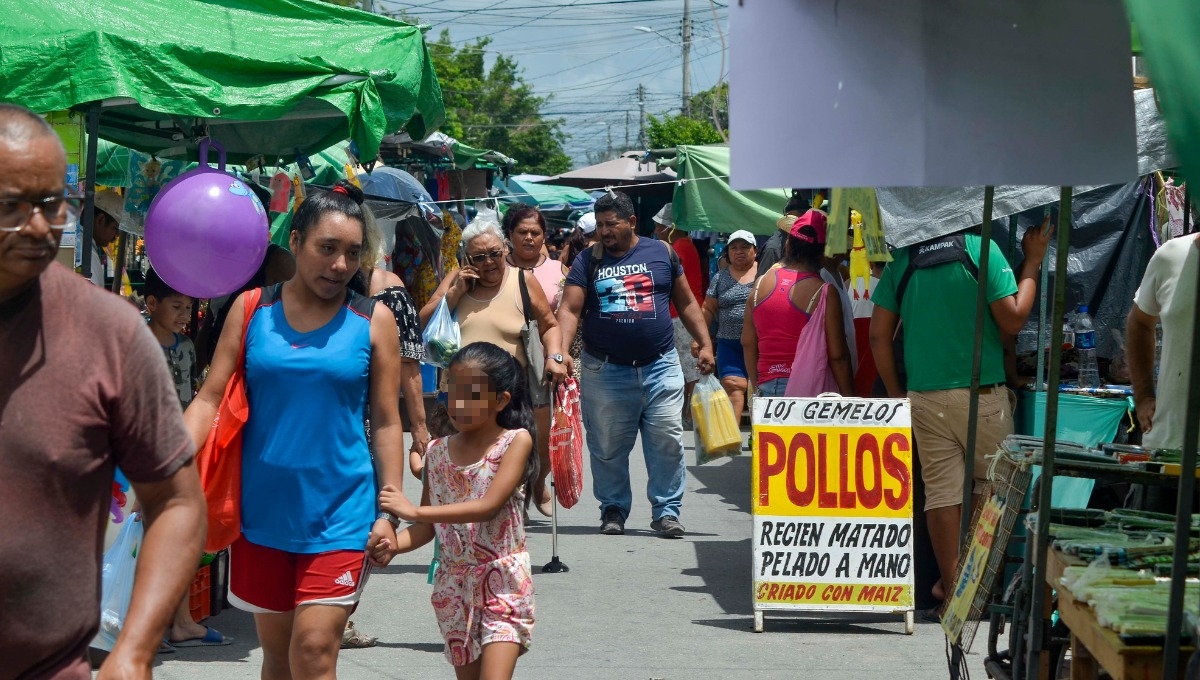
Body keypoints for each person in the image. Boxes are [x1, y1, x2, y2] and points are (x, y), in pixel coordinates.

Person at [0, 102, 207, 679]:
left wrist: (135, 652)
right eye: (9, 206)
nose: (39, 226)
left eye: (50, 204)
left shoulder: (110, 335)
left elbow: (178, 503)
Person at [184, 180, 406, 680]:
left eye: (352, 253)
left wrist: (390, 509)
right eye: (327, 249)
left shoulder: (374, 320)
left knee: (313, 651)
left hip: (342, 513)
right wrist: (163, 461)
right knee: (279, 660)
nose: (340, 266)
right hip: (262, 513)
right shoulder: (251, 308)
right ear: (297, 241)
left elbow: (388, 421)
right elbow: (209, 398)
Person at [870, 219, 1050, 606]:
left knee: (941, 495)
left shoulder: (904, 260)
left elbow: (878, 335)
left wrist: (896, 392)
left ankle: (954, 589)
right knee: (994, 489)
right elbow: (1014, 317)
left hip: (924, 398)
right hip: (981, 397)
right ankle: (969, 583)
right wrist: (1032, 262)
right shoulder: (980, 249)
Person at [556, 190, 715, 537]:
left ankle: (666, 511)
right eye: (599, 225)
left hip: (660, 365)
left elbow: (687, 301)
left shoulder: (662, 252)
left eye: (610, 224)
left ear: (631, 223)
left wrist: (704, 342)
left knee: (668, 440)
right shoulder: (587, 260)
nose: (603, 232)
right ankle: (613, 508)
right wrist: (561, 352)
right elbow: (569, 309)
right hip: (605, 369)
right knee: (607, 445)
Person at [378, 342, 538, 680]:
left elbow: (487, 507)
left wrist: (414, 512)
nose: (459, 403)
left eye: (472, 395)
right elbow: (425, 530)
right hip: (453, 587)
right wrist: (393, 545)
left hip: (503, 582)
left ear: (501, 401)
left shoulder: (514, 441)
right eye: (453, 391)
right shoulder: (436, 453)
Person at [419, 217, 567, 517]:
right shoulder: (456, 278)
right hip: (459, 394)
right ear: (466, 258)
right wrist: (454, 294)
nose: (489, 262)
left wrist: (555, 355)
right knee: (463, 467)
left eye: (495, 253)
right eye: (479, 257)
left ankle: (509, 518)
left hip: (508, 395)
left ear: (505, 249)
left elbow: (550, 325)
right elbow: (423, 321)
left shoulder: (522, 281)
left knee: (505, 465)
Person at [142, 269, 234, 649]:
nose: (184, 314)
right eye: (176, 306)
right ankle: (149, 625)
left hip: (185, 451)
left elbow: (195, 397)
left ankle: (180, 621)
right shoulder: (135, 343)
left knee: (182, 539)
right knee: (150, 540)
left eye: (189, 307)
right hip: (146, 458)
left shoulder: (186, 347)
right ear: (152, 304)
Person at [1127, 231, 1200, 510]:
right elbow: (1139, 323)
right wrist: (1144, 395)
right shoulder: (1172, 255)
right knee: (1149, 549)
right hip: (1168, 452)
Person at [744, 210, 852, 397]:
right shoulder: (824, 292)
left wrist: (758, 386)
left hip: (765, 386)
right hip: (807, 392)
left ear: (788, 245)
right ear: (823, 253)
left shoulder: (760, 284)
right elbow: (838, 356)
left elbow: (747, 342)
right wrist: (851, 399)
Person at [697, 230, 758, 425]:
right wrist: (699, 339)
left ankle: (760, 437)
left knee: (760, 389)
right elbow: (708, 308)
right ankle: (732, 438)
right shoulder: (720, 278)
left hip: (760, 345)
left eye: (745, 247)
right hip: (729, 343)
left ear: (755, 251)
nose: (739, 251)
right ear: (728, 252)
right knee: (733, 385)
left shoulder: (765, 275)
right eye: (734, 248)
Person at [653, 204, 705, 426]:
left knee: (689, 369)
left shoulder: (679, 248)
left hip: (680, 316)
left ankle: (690, 415)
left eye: (658, 227)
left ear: (669, 228)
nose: (656, 231)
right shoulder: (685, 245)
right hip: (680, 314)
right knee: (686, 368)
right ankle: (687, 413)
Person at [560, 212, 597, 380]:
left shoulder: (569, 247)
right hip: (585, 318)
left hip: (571, 315)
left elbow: (560, 271)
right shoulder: (594, 249)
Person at [755, 191, 809, 275]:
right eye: (801, 213)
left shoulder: (797, 241)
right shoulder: (773, 248)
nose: (805, 217)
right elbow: (762, 280)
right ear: (789, 214)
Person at [84, 188, 125, 287]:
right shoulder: (86, 254)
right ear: (101, 220)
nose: (116, 236)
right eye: (115, 228)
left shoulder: (87, 249)